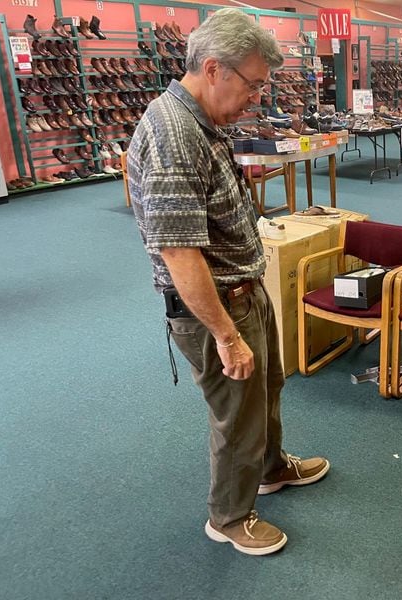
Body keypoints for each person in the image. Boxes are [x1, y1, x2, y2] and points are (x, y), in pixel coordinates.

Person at [127, 8, 329, 556]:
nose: (258, 97)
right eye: (254, 84)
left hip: (241, 290)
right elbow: (178, 252)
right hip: (214, 309)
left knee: (265, 389)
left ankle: (269, 469)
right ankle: (229, 516)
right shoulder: (173, 134)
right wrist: (225, 333)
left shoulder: (201, 122)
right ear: (214, 69)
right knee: (236, 413)